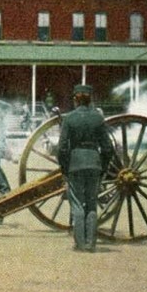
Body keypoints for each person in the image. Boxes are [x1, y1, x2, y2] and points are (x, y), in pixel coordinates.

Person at [57, 84, 116, 253]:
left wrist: (65, 168)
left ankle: (80, 244)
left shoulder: (69, 118)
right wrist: (103, 167)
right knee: (91, 204)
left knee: (76, 205)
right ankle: (91, 244)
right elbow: (107, 148)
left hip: (75, 164)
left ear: (75, 99)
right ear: (90, 99)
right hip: (94, 164)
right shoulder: (98, 118)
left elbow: (61, 148)